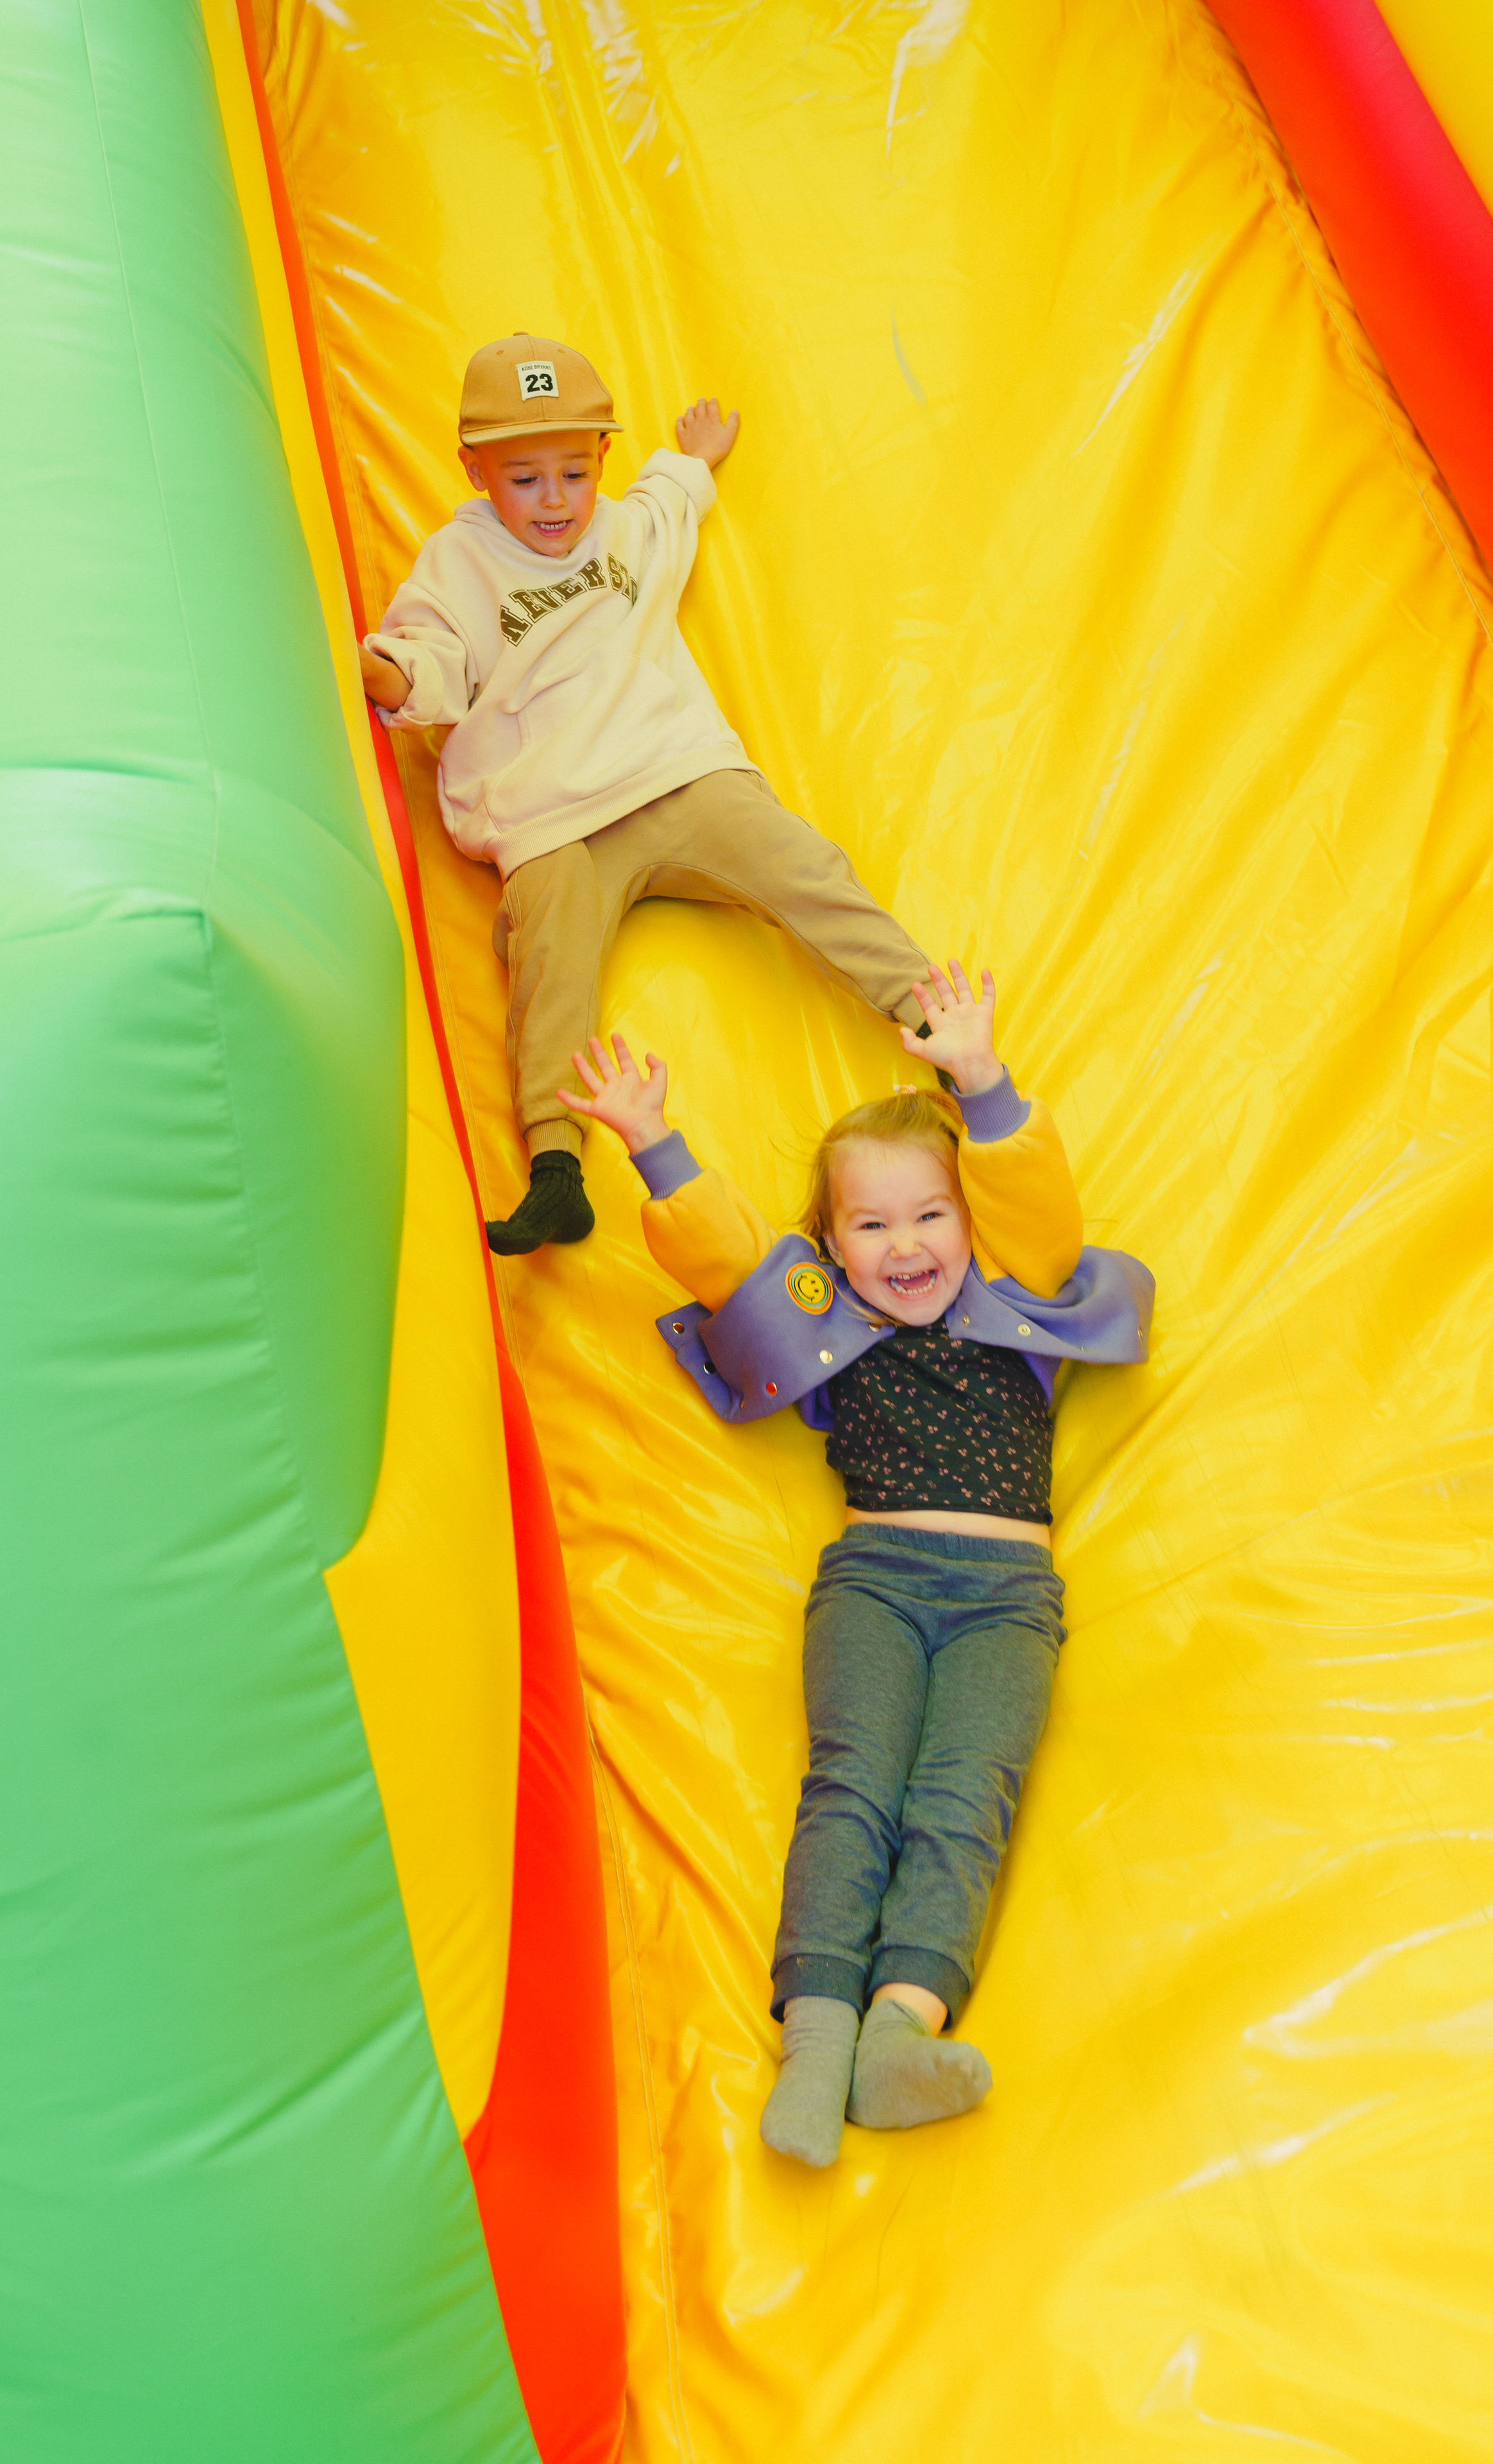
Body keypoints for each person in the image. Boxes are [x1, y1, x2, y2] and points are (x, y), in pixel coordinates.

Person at [559, 963, 1154, 2166]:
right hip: (875, 1584)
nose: (906, 1246)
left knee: (960, 1801)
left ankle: (898, 2034)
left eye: (931, 1215)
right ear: (829, 1246)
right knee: (853, 1788)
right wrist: (656, 1143)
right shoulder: (832, 1330)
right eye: (871, 1226)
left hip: (1005, 1601)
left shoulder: (1015, 1312)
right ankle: (818, 2033)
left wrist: (980, 1080)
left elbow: (1036, 1208)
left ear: (970, 1226)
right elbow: (730, 1264)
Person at [358, 331, 931, 1254]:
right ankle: (557, 1167)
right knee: (551, 952)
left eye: (574, 475)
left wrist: (694, 459)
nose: (555, 502)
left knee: (804, 865)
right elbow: (435, 657)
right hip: (548, 818)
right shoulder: (457, 564)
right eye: (524, 479)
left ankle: (926, 1010)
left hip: (673, 774)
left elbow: (669, 504)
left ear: (602, 463)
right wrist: (390, 674)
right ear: (473, 470)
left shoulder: (624, 527)